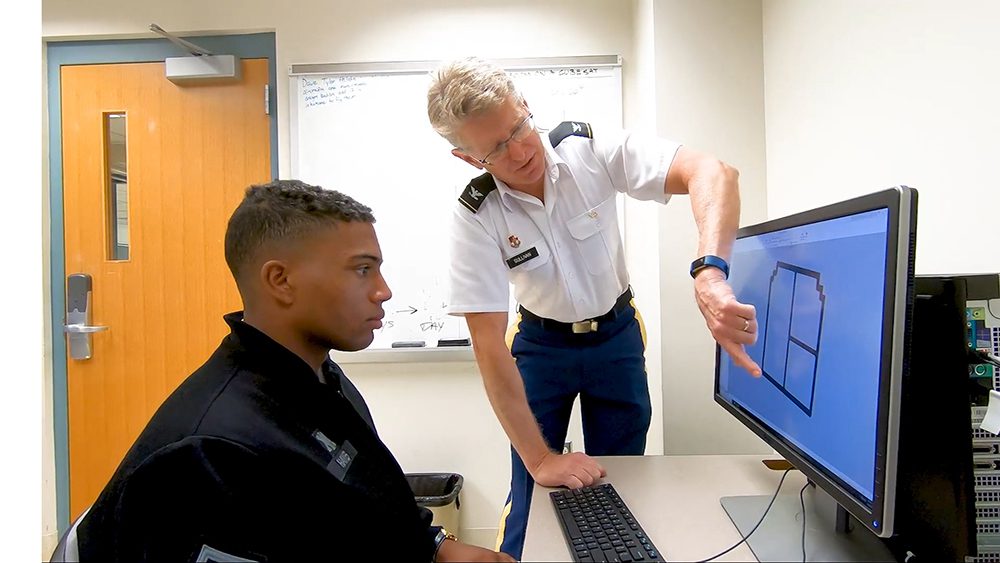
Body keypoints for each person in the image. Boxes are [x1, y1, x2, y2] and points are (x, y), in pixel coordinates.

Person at [74, 180, 515, 562]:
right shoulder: (212, 451)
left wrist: (432, 545)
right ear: (280, 281)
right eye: (362, 270)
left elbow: (363, 500)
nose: (383, 291)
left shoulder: (316, 378)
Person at [426, 57, 762, 558]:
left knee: (622, 478)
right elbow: (488, 347)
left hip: (616, 338)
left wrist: (710, 272)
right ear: (467, 157)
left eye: (520, 127)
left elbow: (714, 171)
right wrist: (541, 459)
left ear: (525, 106)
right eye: (496, 147)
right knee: (531, 489)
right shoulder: (475, 214)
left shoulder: (589, 148)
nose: (521, 150)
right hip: (539, 348)